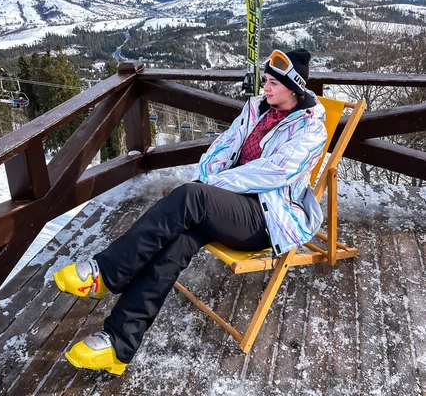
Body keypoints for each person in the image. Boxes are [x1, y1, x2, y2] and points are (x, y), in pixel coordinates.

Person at [53, 48, 327, 375]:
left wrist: (211, 187)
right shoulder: (256, 109)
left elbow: (272, 173)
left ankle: (107, 271)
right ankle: (118, 343)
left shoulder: (311, 129)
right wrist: (210, 177)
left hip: (265, 217)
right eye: (265, 80)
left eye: (272, 83)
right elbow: (223, 147)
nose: (265, 88)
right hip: (222, 204)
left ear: (294, 88)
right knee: (176, 243)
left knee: (191, 198)